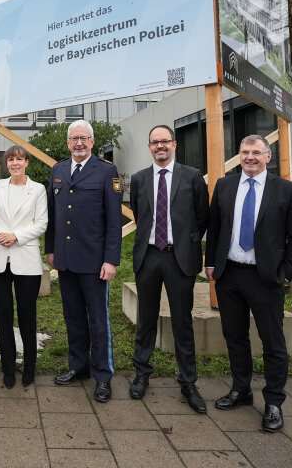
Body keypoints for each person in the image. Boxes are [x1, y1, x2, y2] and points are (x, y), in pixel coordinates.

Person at [205, 134, 292, 432]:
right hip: (229, 276)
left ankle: (274, 402)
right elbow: (215, 227)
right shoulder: (224, 185)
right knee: (235, 336)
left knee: (273, 342)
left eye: (256, 152)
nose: (249, 157)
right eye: (244, 151)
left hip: (266, 278)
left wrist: (285, 274)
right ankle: (241, 389)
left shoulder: (285, 190)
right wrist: (211, 263)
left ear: (267, 157)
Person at [128, 125, 210, 413]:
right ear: (149, 146)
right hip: (149, 257)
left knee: (182, 322)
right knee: (146, 318)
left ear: (174, 145)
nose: (160, 146)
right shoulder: (138, 179)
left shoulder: (192, 176)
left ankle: (188, 381)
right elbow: (140, 215)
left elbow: (202, 217)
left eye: (165, 141)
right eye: (154, 142)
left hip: (180, 259)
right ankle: (142, 373)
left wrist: (186, 243)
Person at [45, 119, 122, 403]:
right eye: (74, 138)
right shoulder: (58, 169)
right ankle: (78, 366)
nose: (79, 143)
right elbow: (55, 216)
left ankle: (103, 375)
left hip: (94, 262)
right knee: (73, 317)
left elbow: (114, 222)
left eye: (84, 138)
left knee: (98, 321)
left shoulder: (106, 171)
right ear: (68, 143)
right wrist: (51, 249)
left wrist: (111, 260)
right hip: (65, 260)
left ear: (92, 142)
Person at [0, 145, 48, 388]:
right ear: (6, 164)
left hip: (26, 259)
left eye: (19, 159)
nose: (15, 163)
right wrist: (0, 235)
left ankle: (29, 367)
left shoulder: (38, 189)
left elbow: (41, 223)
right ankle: (8, 368)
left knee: (27, 315)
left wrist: (15, 236)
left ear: (27, 162)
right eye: (10, 159)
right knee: (3, 314)